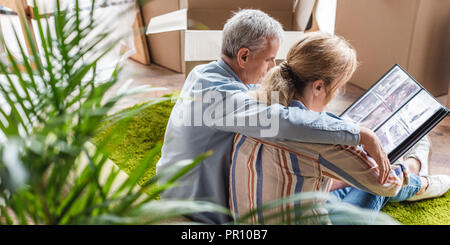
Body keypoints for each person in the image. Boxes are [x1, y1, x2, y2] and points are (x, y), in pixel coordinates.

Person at [156, 9, 391, 224]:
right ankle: (406, 177)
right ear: (244, 56)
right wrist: (359, 133)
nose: (273, 66)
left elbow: (263, 104)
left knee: (326, 185)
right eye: (269, 59)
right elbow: (283, 122)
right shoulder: (220, 101)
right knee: (353, 188)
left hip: (178, 192)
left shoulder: (203, 74)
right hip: (201, 214)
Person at [229, 31, 450, 224]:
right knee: (384, 179)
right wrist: (402, 166)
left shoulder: (250, 106)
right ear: (318, 87)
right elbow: (387, 184)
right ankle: (422, 175)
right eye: (337, 88)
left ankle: (409, 166)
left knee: (352, 178)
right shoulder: (323, 140)